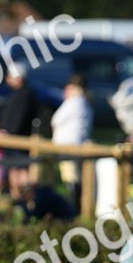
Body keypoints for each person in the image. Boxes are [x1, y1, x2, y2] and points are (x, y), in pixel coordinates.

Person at [0, 61, 39, 201]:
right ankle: (16, 200)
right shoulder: (16, 94)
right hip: (11, 139)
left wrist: (9, 132)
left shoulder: (26, 94)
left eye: (10, 76)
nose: (7, 79)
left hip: (19, 139)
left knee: (22, 171)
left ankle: (26, 200)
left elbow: (19, 118)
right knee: (13, 170)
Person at [50, 75, 92, 209]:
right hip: (77, 143)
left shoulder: (74, 101)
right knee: (75, 175)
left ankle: (73, 207)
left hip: (69, 144)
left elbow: (55, 120)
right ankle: (76, 205)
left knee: (71, 176)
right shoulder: (85, 102)